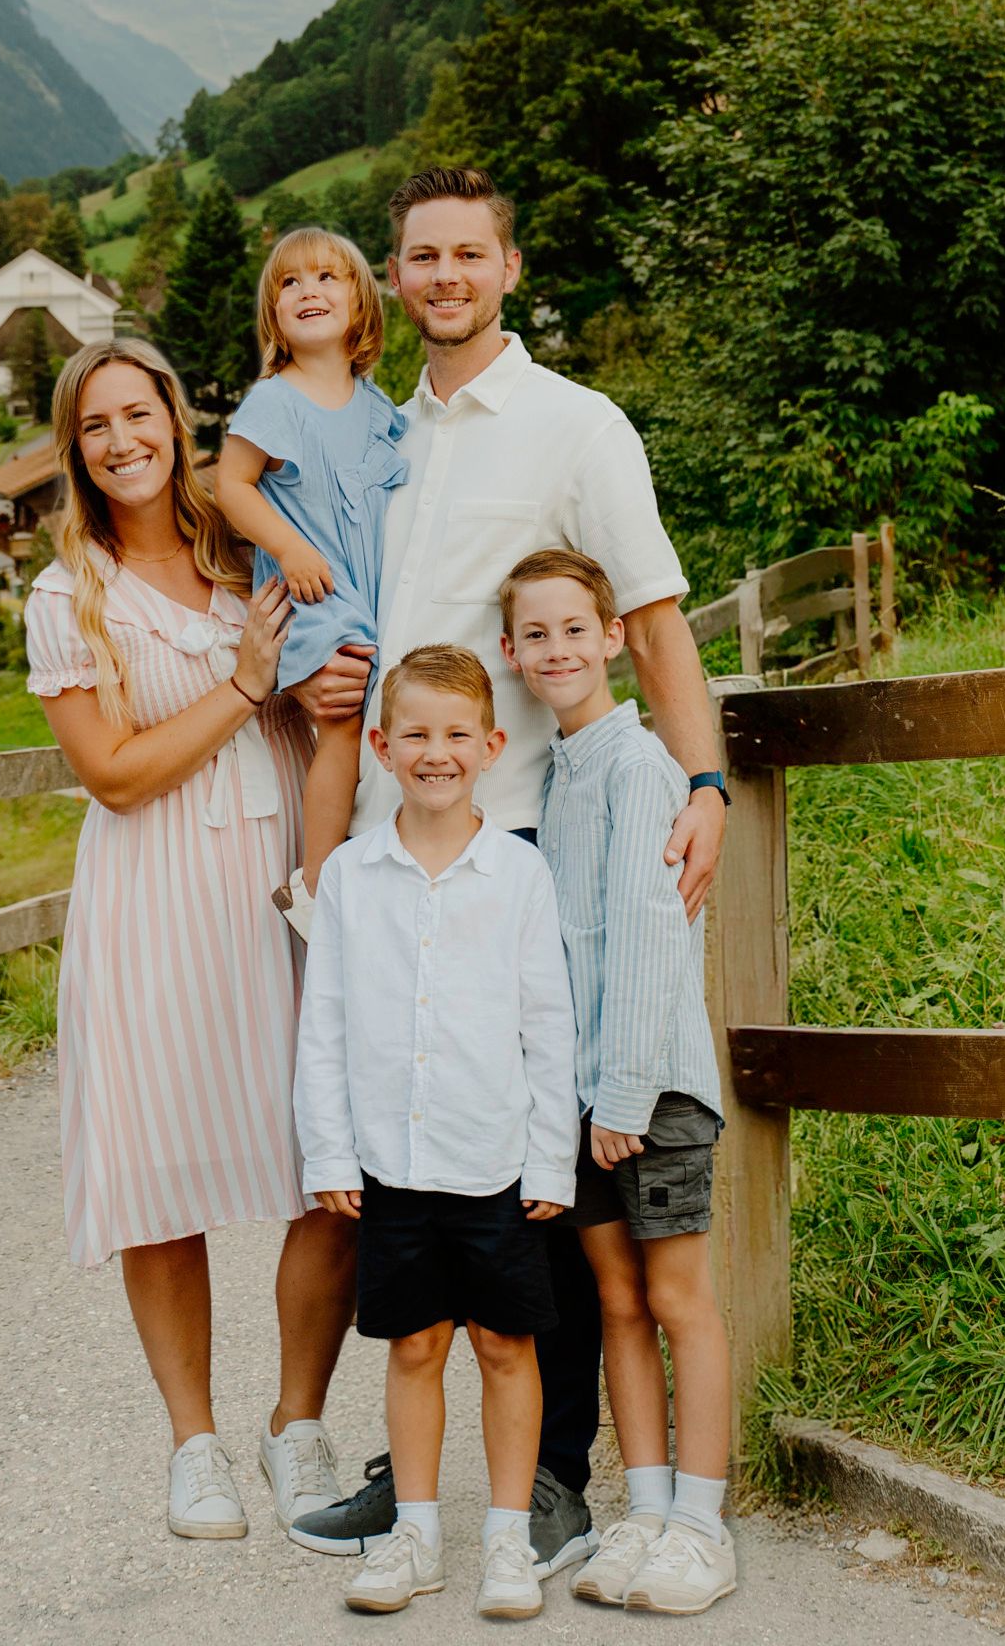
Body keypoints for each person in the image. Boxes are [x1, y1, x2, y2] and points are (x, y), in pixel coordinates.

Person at [292, 164, 729, 1584]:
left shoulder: (573, 424)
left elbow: (652, 615)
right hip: (387, 833)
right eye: (420, 256)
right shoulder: (379, 436)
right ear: (394, 277)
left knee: (534, 1174)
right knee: (416, 1148)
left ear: (509, 269)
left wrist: (706, 781)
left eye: (467, 255)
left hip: (520, 832)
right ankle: (420, 1475)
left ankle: (545, 1481)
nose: (443, 277)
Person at [25, 336, 359, 1545]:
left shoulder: (246, 552)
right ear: (75, 452)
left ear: (175, 420)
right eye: (95, 426)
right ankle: (193, 1445)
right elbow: (114, 776)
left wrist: (319, 690)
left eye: (138, 414)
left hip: (283, 889)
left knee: (329, 1164)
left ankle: (296, 1424)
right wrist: (246, 685)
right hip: (154, 901)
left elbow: (324, 664)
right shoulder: (69, 595)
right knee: (160, 1177)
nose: (122, 441)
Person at [294, 644, 577, 1623]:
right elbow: (325, 1025)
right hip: (393, 1162)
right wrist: (330, 1151)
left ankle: (506, 1538)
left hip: (494, 1160)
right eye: (414, 734)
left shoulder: (518, 874)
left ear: (491, 747)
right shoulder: (349, 876)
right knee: (412, 1346)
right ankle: (413, 1534)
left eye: (457, 734)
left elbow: (547, 1026)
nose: (436, 752)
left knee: (504, 1345)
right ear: (381, 748)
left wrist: (550, 1161)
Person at [505, 549, 736, 1615]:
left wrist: (625, 1098)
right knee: (614, 1303)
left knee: (677, 1300)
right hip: (587, 1103)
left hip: (649, 1095)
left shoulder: (641, 768)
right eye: (534, 634)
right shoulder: (559, 777)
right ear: (510, 652)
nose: (555, 649)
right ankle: (643, 1507)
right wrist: (574, 1101)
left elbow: (649, 941)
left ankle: (700, 1524)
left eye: (573, 630)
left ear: (610, 639)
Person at [216, 225, 408, 923]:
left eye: (328, 277)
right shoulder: (276, 401)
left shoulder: (375, 404)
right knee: (344, 726)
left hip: (371, 589)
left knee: (386, 724)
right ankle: (317, 884)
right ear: (275, 315)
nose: (309, 290)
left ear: (361, 304)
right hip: (315, 591)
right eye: (290, 283)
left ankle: (370, 865)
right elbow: (232, 485)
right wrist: (290, 548)